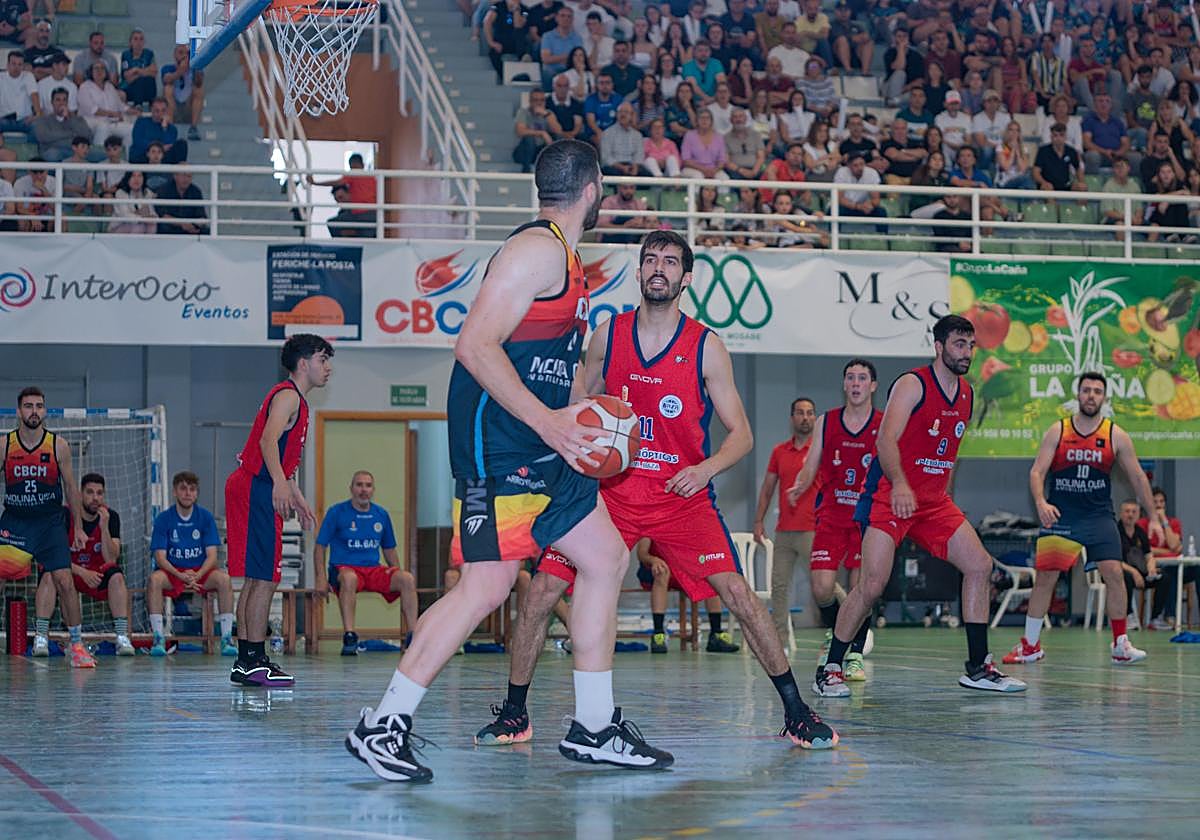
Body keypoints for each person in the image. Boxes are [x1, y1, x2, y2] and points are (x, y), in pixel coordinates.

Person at [346, 141, 672, 783]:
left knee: (607, 558)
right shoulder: (537, 250)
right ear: (593, 187)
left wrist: (586, 414)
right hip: (501, 449)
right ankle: (383, 724)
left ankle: (595, 727)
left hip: (547, 449)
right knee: (487, 588)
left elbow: (542, 368)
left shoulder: (569, 258)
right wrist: (552, 422)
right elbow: (474, 346)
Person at [473, 229, 838, 753]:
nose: (658, 268)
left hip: (681, 495)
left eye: (670, 261)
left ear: (686, 278)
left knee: (739, 595)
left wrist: (706, 468)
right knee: (541, 593)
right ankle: (514, 713)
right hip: (609, 496)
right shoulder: (607, 335)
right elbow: (577, 399)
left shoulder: (705, 347)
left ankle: (796, 712)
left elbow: (743, 434)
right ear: (639, 272)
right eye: (650, 260)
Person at [814, 315, 1027, 697]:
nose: (966, 353)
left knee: (979, 565)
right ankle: (831, 667)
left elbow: (949, 452)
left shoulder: (967, 393)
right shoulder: (913, 384)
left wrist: (946, 493)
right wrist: (899, 484)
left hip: (933, 502)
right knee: (872, 586)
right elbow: (885, 441)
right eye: (959, 344)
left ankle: (978, 666)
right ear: (939, 346)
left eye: (971, 345)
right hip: (889, 496)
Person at [1004, 373, 1162, 666]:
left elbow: (1138, 477)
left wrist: (1153, 517)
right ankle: (1030, 646)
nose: (1091, 395)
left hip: (1099, 516)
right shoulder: (1058, 430)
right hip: (1063, 515)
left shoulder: (1116, 434)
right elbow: (1037, 471)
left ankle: (1120, 644)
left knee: (1115, 574)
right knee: (1046, 579)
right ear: (1078, 395)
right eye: (1086, 390)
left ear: (1104, 398)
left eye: (1097, 391)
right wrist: (1040, 502)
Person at [226, 334, 332, 688]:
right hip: (256, 487)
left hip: (253, 484)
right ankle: (255, 660)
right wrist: (279, 485)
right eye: (322, 359)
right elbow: (267, 441)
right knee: (267, 577)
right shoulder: (288, 396)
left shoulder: (291, 398)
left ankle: (246, 660)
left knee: (258, 578)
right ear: (304, 363)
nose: (327, 367)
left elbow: (279, 457)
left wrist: (295, 494)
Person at [786, 359, 883, 680]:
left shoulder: (884, 424)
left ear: (872, 386)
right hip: (831, 515)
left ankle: (853, 653)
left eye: (862, 378)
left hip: (867, 518)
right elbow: (812, 462)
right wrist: (801, 482)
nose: (856, 383)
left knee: (863, 589)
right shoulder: (826, 422)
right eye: (850, 378)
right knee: (822, 588)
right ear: (844, 385)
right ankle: (838, 629)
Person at [3, 387, 93, 667]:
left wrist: (78, 528)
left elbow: (70, 488)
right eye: (28, 406)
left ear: (44, 411)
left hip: (50, 522)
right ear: (18, 411)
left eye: (39, 406)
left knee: (65, 580)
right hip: (16, 520)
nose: (34, 411)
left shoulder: (58, 445)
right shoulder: (6, 444)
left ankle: (76, 644)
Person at [314, 470, 419, 656]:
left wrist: (396, 572)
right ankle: (349, 636)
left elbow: (389, 549)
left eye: (368, 485)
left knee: (407, 579)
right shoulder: (336, 512)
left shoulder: (381, 515)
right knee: (349, 578)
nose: (364, 490)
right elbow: (320, 547)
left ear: (373, 490)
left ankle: (413, 636)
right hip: (343, 568)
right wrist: (321, 579)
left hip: (372, 569)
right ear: (351, 488)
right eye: (359, 485)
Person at [33, 472, 132, 656]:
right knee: (49, 573)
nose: (95, 498)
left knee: (117, 576)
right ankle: (41, 637)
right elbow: (53, 554)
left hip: (96, 574)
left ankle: (121, 637)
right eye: (90, 492)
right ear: (79, 494)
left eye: (100, 493)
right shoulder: (63, 515)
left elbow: (111, 558)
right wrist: (81, 572)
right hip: (68, 571)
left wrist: (104, 528)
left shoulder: (111, 517)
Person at [753, 396, 820, 647]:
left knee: (823, 585)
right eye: (801, 413)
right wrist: (758, 521)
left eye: (810, 413)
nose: (805, 417)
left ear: (814, 418)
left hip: (813, 530)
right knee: (779, 587)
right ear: (792, 418)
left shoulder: (819, 451)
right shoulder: (779, 451)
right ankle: (779, 641)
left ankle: (851, 624)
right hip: (784, 532)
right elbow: (768, 488)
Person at [148, 470, 235, 657]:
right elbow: (160, 557)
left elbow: (212, 555)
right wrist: (180, 575)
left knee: (224, 580)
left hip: (199, 571)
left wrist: (198, 575)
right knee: (155, 580)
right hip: (173, 572)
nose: (188, 493)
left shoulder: (205, 517)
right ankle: (158, 637)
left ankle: (227, 638)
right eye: (183, 488)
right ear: (175, 492)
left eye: (192, 489)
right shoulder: (164, 519)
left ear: (196, 493)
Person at [635, 537, 738, 654]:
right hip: (655, 570)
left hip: (680, 569)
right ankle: (658, 634)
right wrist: (654, 560)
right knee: (662, 572)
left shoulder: (686, 523)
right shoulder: (651, 521)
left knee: (710, 573)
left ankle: (716, 633)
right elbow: (642, 553)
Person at [308, 153, 376, 237]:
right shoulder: (373, 178)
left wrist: (315, 183)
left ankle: (343, 244)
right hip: (373, 215)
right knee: (367, 240)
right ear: (362, 164)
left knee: (332, 224)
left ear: (351, 165)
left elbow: (337, 182)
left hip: (360, 214)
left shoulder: (353, 174)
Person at [1117, 499, 1155, 627]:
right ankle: (1127, 615)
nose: (1130, 515)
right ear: (1121, 513)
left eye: (1134, 512)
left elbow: (1148, 554)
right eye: (1127, 511)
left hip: (1140, 572)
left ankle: (1156, 618)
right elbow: (1114, 560)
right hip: (1117, 572)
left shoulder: (1141, 533)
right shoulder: (1115, 532)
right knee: (1125, 577)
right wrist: (1133, 572)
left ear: (1138, 515)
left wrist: (1151, 566)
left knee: (1165, 578)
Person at [29, 86, 90, 161]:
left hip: (76, 152)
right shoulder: (43, 120)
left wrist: (70, 118)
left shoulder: (77, 119)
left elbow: (87, 136)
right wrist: (71, 134)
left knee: (99, 154)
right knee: (53, 155)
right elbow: (44, 137)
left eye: (64, 100)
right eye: (58, 100)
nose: (61, 103)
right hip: (53, 151)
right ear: (52, 102)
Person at [160, 44, 203, 141]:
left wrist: (193, 67)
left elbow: (199, 82)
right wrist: (181, 71)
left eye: (186, 53)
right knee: (168, 88)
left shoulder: (195, 69)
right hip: (173, 106)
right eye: (180, 53)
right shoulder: (167, 68)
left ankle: (193, 127)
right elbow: (166, 79)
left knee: (198, 90)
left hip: (189, 104)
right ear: (175, 55)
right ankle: (170, 128)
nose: (183, 56)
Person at [1034, 123, 1088, 193]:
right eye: (1055, 135)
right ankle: (1052, 204)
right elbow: (1036, 172)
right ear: (1051, 137)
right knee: (1048, 188)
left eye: (1061, 135)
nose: (1058, 138)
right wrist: (1043, 182)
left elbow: (1078, 169)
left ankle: (1082, 204)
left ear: (1065, 137)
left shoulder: (1071, 151)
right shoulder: (1043, 151)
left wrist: (1081, 182)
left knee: (1082, 187)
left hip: (1066, 185)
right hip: (1048, 186)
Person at [155, 168, 209, 235]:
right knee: (164, 227)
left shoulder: (196, 191)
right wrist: (182, 224)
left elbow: (202, 216)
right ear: (175, 176)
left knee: (206, 230)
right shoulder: (164, 190)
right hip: (172, 225)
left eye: (189, 176)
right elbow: (162, 215)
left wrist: (196, 225)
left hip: (190, 226)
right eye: (183, 175)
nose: (186, 179)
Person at [513, 88, 553, 173]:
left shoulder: (548, 113)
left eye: (542, 100)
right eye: (536, 100)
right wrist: (542, 133)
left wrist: (546, 115)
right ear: (530, 101)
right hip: (524, 152)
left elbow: (558, 131)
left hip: (540, 151)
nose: (539, 103)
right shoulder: (523, 112)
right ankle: (526, 172)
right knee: (529, 139)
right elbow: (520, 131)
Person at [108, 169, 158, 233]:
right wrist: (143, 218)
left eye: (139, 176)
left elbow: (152, 212)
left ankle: (149, 243)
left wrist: (152, 217)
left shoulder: (147, 192)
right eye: (133, 176)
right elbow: (125, 215)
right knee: (139, 227)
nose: (136, 179)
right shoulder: (120, 193)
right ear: (128, 178)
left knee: (152, 225)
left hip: (140, 223)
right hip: (119, 226)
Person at [0, 50, 37, 136]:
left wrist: (37, 115)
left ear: (23, 66)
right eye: (13, 64)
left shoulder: (28, 76)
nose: (16, 67)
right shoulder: (1, 78)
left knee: (38, 127)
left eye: (20, 64)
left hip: (25, 120)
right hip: (3, 120)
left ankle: (32, 149)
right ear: (7, 65)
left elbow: (34, 95)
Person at [119, 28, 157, 108]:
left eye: (141, 39)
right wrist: (145, 71)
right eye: (135, 39)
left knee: (149, 80)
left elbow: (154, 72)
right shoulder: (126, 55)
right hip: (129, 87)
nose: (138, 42)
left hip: (146, 86)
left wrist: (136, 70)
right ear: (130, 42)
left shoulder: (149, 54)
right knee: (139, 81)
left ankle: (151, 105)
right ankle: (138, 105)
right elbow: (127, 77)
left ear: (144, 42)